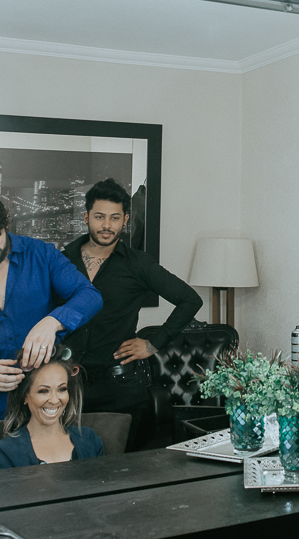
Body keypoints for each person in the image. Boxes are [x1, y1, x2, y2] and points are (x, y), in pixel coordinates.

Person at [61, 178, 203, 450]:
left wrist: (153, 344)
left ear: (125, 219)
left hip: (121, 388)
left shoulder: (138, 264)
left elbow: (189, 299)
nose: (106, 225)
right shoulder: (62, 260)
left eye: (115, 218)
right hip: (67, 386)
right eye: (99, 216)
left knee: (120, 474)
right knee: (68, 470)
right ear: (86, 217)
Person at [0, 189, 103, 425]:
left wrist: (52, 322)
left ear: (6, 224)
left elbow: (89, 296)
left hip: (47, 406)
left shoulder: (42, 254)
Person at [0, 347, 104, 469]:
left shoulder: (89, 439)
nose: (55, 400)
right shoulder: (6, 451)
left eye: (62, 389)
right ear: (25, 396)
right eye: (43, 391)